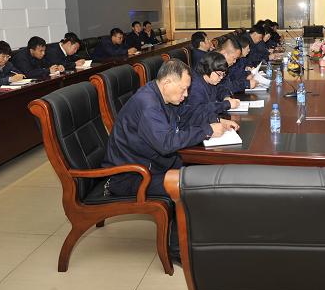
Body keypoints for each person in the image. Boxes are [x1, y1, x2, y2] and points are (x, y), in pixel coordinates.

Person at [102, 58, 238, 197]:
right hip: (132, 176)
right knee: (197, 186)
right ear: (167, 83)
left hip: (153, 164)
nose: (186, 94)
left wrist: (217, 120)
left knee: (207, 174)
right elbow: (166, 143)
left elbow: (186, 114)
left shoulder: (163, 95)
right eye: (183, 89)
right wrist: (207, 130)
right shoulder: (148, 105)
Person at [187, 51, 240, 116]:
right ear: (209, 69)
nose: (221, 77)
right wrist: (226, 104)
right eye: (219, 74)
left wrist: (226, 97)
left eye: (223, 74)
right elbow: (200, 110)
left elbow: (219, 89)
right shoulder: (195, 86)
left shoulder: (211, 80)